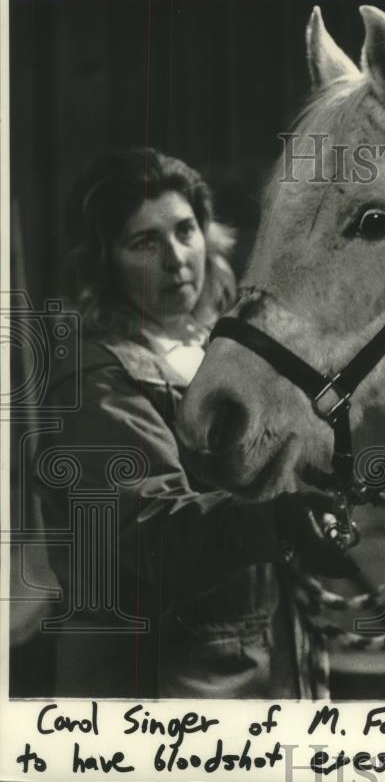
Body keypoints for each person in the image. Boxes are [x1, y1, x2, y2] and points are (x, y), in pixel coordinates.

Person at [35, 147, 355, 698]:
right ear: (103, 261)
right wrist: (278, 522)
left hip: (253, 659)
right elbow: (156, 531)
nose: (176, 258)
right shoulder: (96, 382)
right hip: (155, 681)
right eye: (144, 242)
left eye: (185, 230)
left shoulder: (219, 354)